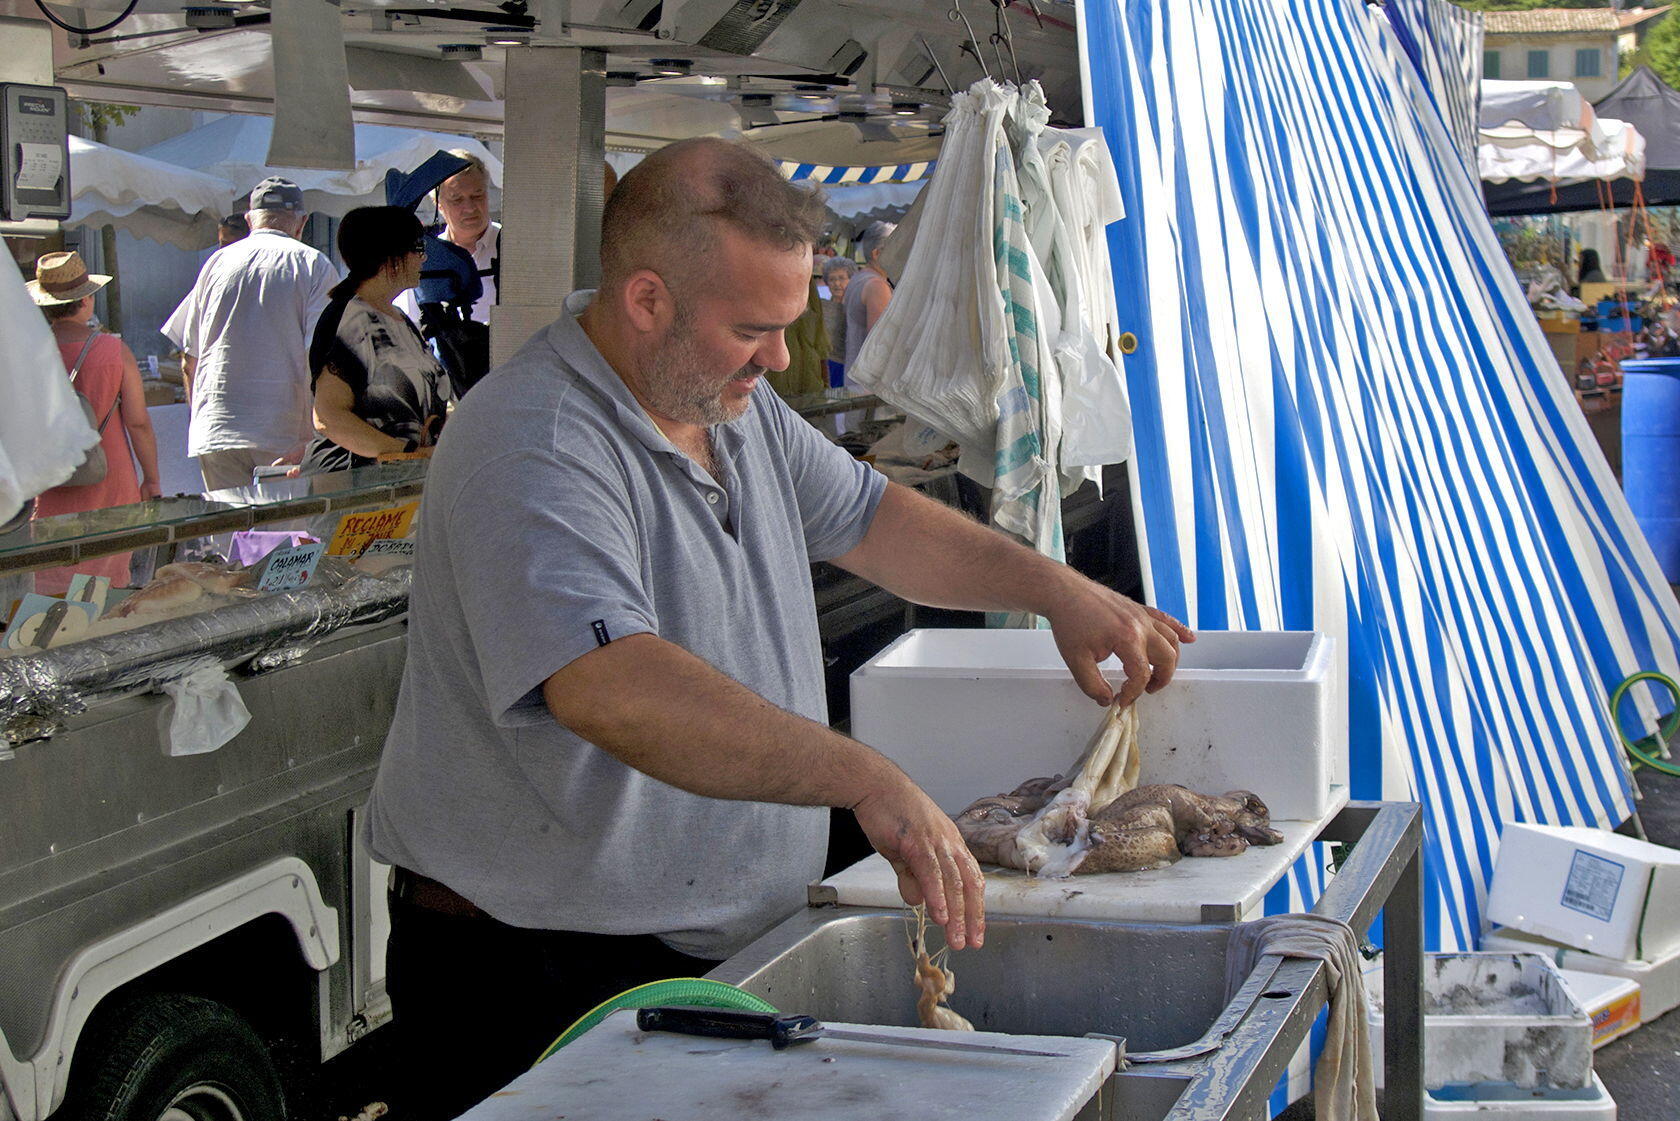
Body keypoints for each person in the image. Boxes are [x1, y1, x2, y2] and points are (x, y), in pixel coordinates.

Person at [363, 137, 1193, 1119]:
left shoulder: (728, 406)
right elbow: (609, 684)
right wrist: (865, 776)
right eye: (754, 329)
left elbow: (874, 517)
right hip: (537, 972)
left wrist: (1053, 585)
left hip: (706, 951)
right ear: (646, 300)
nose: (780, 358)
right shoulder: (534, 437)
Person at [172, 177, 338, 489]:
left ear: (249, 220)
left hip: (216, 430)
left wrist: (202, 419)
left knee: (230, 535)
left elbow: (189, 357)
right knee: (286, 536)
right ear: (302, 223)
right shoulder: (313, 263)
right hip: (282, 431)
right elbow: (319, 355)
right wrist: (321, 434)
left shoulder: (216, 262)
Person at [26, 252, 161, 594]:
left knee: (49, 585)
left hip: (46, 479)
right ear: (86, 300)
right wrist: (152, 478)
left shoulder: (25, 355)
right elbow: (138, 422)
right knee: (106, 586)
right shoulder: (113, 351)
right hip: (109, 479)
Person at [301, 208, 448, 473]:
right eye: (418, 247)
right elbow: (328, 416)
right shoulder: (349, 318)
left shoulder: (399, 318)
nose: (423, 258)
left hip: (399, 480)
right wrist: (405, 454)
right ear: (389, 256)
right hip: (353, 481)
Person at [843, 220, 895, 370]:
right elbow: (881, 344)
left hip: (855, 376)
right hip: (868, 383)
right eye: (896, 249)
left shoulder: (859, 278)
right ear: (877, 254)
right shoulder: (876, 286)